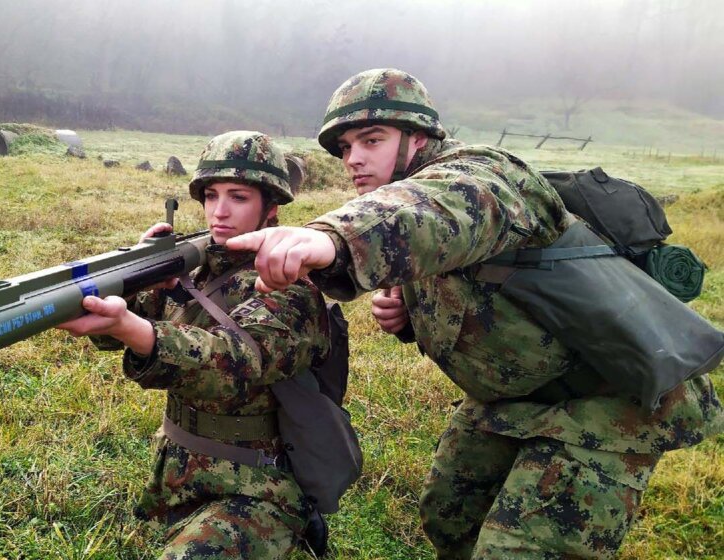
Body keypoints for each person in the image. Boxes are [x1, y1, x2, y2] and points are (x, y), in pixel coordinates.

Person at [227, 68, 723, 559]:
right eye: (344, 149)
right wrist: (410, 316)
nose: (353, 159)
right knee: (449, 516)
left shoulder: (480, 173)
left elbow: (437, 211)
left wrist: (333, 238)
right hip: (512, 396)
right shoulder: (403, 192)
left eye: (370, 140)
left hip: (605, 398)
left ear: (418, 139)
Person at [55, 130, 329, 559]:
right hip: (179, 473)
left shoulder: (290, 286)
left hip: (255, 489)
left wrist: (132, 329)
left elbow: (238, 362)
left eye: (238, 197)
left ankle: (293, 528)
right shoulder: (194, 271)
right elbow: (122, 324)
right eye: (211, 195)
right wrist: (131, 279)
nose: (219, 211)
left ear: (270, 209)